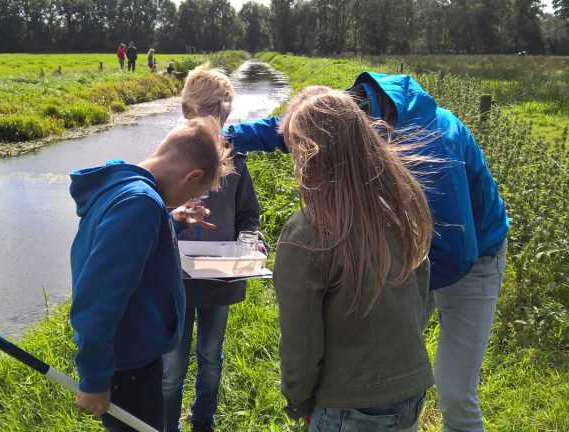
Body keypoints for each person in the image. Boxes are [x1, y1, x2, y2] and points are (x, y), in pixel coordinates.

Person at [224, 72, 510, 432]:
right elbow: (292, 128)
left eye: (300, 150)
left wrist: (383, 288)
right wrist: (227, 137)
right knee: (390, 361)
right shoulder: (346, 120)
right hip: (409, 246)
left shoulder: (433, 145)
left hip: (472, 256)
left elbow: (455, 251)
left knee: (453, 388)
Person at [273, 88, 433, 431]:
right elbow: (422, 295)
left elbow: (301, 339)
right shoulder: (396, 211)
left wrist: (299, 399)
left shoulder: (307, 232)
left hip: (350, 402)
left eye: (294, 149)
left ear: (310, 154)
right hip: (411, 385)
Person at [70, 117, 234, 432]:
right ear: (192, 176)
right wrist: (94, 377)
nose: (186, 202)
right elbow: (99, 297)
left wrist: (172, 221)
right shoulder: (140, 204)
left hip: (131, 360)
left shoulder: (125, 186)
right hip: (128, 370)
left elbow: (134, 248)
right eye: (194, 194)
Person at [162, 64, 265, 432]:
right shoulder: (168, 160)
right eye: (204, 114)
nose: (212, 125)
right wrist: (174, 216)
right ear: (185, 111)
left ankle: (203, 421)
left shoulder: (235, 162)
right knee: (172, 367)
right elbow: (153, 214)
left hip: (220, 280)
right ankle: (167, 425)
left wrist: (252, 241)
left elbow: (249, 214)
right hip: (176, 282)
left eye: (218, 117)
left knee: (211, 357)